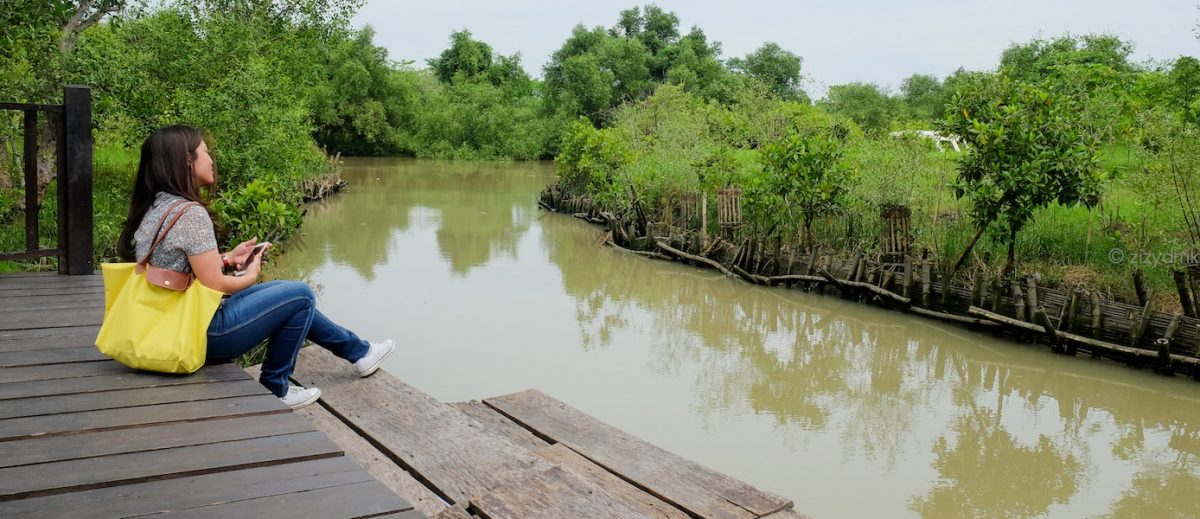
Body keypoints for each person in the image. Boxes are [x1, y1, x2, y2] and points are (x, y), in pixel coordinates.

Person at [116, 125, 394, 408]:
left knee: (287, 294)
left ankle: (359, 353)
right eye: (205, 152)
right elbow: (216, 285)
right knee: (300, 296)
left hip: (175, 323)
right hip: (202, 333)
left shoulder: (156, 208)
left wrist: (226, 258)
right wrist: (250, 275)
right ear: (187, 160)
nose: (211, 159)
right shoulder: (190, 214)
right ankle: (277, 388)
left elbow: (175, 266)